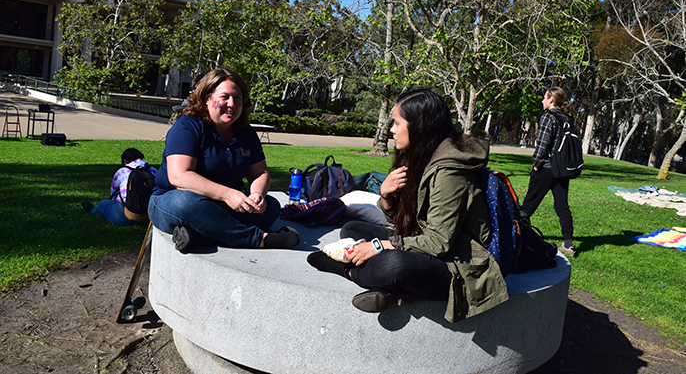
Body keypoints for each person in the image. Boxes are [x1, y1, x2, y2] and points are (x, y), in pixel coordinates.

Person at [307, 89, 508, 322]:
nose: (391, 130)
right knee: (354, 229)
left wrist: (379, 247)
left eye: (397, 123)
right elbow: (403, 222)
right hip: (423, 243)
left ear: (419, 126)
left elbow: (439, 242)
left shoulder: (449, 173)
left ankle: (348, 271)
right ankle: (391, 290)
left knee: (394, 265)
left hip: (458, 265)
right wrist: (386, 196)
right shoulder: (421, 155)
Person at [148, 68, 300, 251]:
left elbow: (260, 172)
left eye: (237, 98)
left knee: (272, 207)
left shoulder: (246, 132)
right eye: (225, 97)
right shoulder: (187, 127)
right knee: (186, 203)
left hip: (222, 205)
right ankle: (257, 239)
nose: (232, 104)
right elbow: (179, 177)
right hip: (172, 201)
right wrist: (228, 194)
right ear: (206, 99)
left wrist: (257, 194)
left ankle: (201, 237)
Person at [520, 87, 577, 257]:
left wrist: (536, 162)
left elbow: (542, 143)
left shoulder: (548, 117)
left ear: (551, 100)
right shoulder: (568, 119)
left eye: (545, 98)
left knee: (528, 205)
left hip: (545, 168)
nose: (542, 101)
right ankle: (568, 244)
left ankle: (519, 237)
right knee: (562, 206)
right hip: (562, 170)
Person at [81, 148, 157, 227]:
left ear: (125, 161)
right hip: (150, 216)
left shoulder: (122, 172)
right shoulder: (153, 170)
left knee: (104, 204)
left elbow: (113, 194)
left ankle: (93, 210)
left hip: (127, 216)